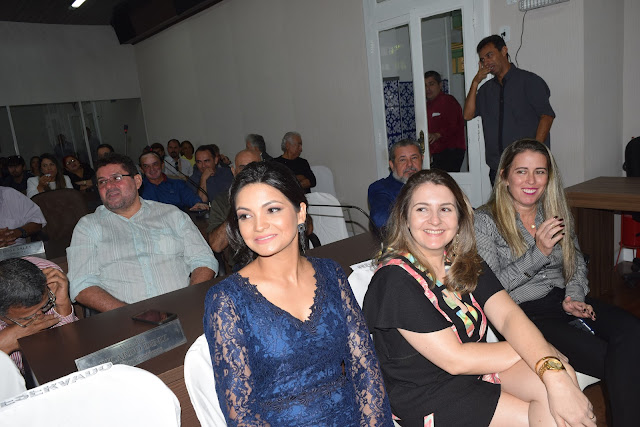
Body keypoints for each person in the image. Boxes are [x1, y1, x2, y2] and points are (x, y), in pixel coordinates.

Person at [363, 168, 594, 426]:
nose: (435, 220)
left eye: (445, 209)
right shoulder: (394, 280)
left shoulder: (463, 261)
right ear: (405, 217)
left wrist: (551, 369)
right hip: (429, 397)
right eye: (422, 209)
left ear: (460, 216)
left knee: (559, 380)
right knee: (554, 401)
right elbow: (456, 359)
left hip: (477, 375)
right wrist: (542, 352)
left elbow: (508, 316)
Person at [203, 161, 392, 425]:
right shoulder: (227, 300)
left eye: (272, 209)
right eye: (245, 215)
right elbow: (242, 414)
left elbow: (365, 366)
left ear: (300, 212)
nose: (259, 225)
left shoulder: (331, 273)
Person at [474, 139, 640, 426]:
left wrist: (574, 296)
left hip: (562, 300)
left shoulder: (553, 212)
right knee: (615, 359)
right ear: (504, 176)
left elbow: (575, 262)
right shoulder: (484, 221)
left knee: (633, 332)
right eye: (521, 171)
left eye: (539, 172)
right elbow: (491, 288)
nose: (531, 180)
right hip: (521, 314)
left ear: (548, 177)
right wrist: (538, 253)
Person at [67, 153, 218, 313]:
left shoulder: (172, 215)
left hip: (185, 309)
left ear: (137, 181)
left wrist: (188, 301)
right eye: (102, 182)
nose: (109, 186)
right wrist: (131, 315)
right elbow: (81, 285)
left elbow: (204, 260)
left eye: (116, 178)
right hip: (124, 319)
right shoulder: (88, 226)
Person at [463, 35, 555, 185]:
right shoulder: (486, 90)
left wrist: (534, 153)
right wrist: (475, 83)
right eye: (482, 59)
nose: (486, 62)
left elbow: (547, 116)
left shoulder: (529, 81)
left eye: (489, 55)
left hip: (526, 167)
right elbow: (467, 115)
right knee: (501, 202)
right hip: (498, 168)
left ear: (504, 50)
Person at [0, 257, 77, 373]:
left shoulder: (53, 279)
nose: (40, 316)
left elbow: (70, 353)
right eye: (27, 317)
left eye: (45, 305)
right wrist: (2, 348)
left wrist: (62, 306)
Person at [207, 149, 262, 254]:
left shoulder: (276, 196)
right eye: (243, 168)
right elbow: (216, 245)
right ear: (234, 171)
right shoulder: (222, 201)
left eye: (253, 167)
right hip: (243, 260)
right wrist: (239, 207)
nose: (248, 173)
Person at [368, 139, 422, 230]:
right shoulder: (381, 187)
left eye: (414, 158)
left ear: (422, 159)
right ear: (392, 165)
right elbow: (380, 220)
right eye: (402, 160)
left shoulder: (432, 183)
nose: (410, 164)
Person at [424, 71, 466, 172]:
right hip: (436, 152)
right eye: (425, 85)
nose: (428, 89)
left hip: (451, 150)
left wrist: (437, 134)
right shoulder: (427, 105)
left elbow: (454, 124)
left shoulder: (448, 101)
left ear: (440, 85)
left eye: (431, 84)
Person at [139, 151, 208, 211]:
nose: (152, 169)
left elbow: (192, 199)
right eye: (146, 166)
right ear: (141, 169)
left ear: (162, 165)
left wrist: (198, 204)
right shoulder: (138, 190)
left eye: (155, 164)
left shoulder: (178, 184)